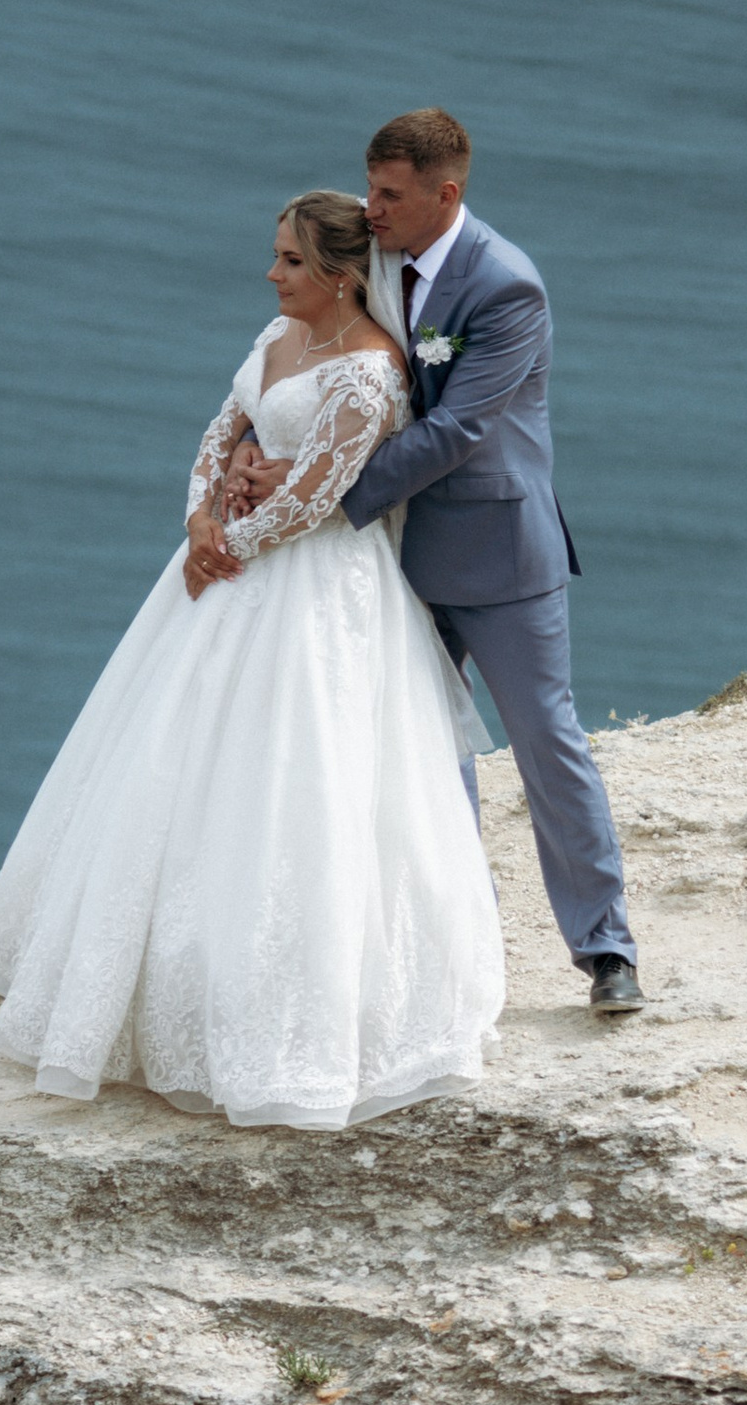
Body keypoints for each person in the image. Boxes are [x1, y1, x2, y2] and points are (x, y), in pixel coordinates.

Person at [0, 191, 504, 1129]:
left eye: (290, 261)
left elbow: (320, 495)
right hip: (226, 563)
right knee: (165, 760)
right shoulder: (279, 336)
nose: (271, 273)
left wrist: (231, 546)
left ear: (340, 278)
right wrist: (201, 519)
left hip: (313, 588)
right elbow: (223, 432)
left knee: (294, 774)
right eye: (276, 255)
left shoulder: (371, 372)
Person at [225, 108, 643, 1015]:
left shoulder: (506, 286)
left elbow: (458, 429)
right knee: (417, 751)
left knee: (545, 742)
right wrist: (261, 440)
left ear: (444, 194)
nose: (370, 208)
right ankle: (456, 950)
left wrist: (319, 484)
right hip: (390, 556)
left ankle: (606, 949)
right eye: (370, 188)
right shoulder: (373, 257)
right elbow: (319, 351)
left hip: (496, 552)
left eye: (389, 194)